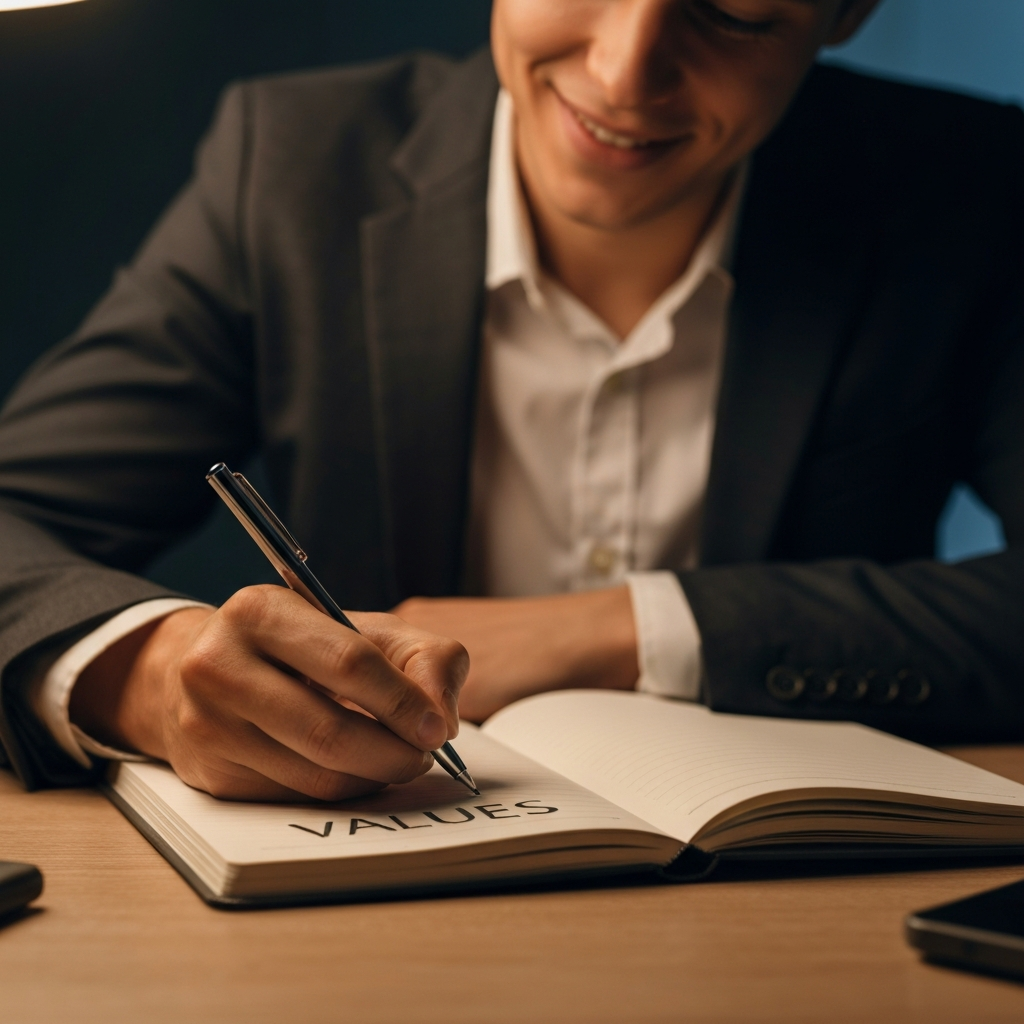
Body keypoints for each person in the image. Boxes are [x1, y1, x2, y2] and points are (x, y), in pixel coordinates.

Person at [1, 0, 1021, 801]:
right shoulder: (293, 166)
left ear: (847, 12)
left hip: (809, 914)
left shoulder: (970, 188)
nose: (623, 74)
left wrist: (619, 629)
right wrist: (149, 670)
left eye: (736, 14)